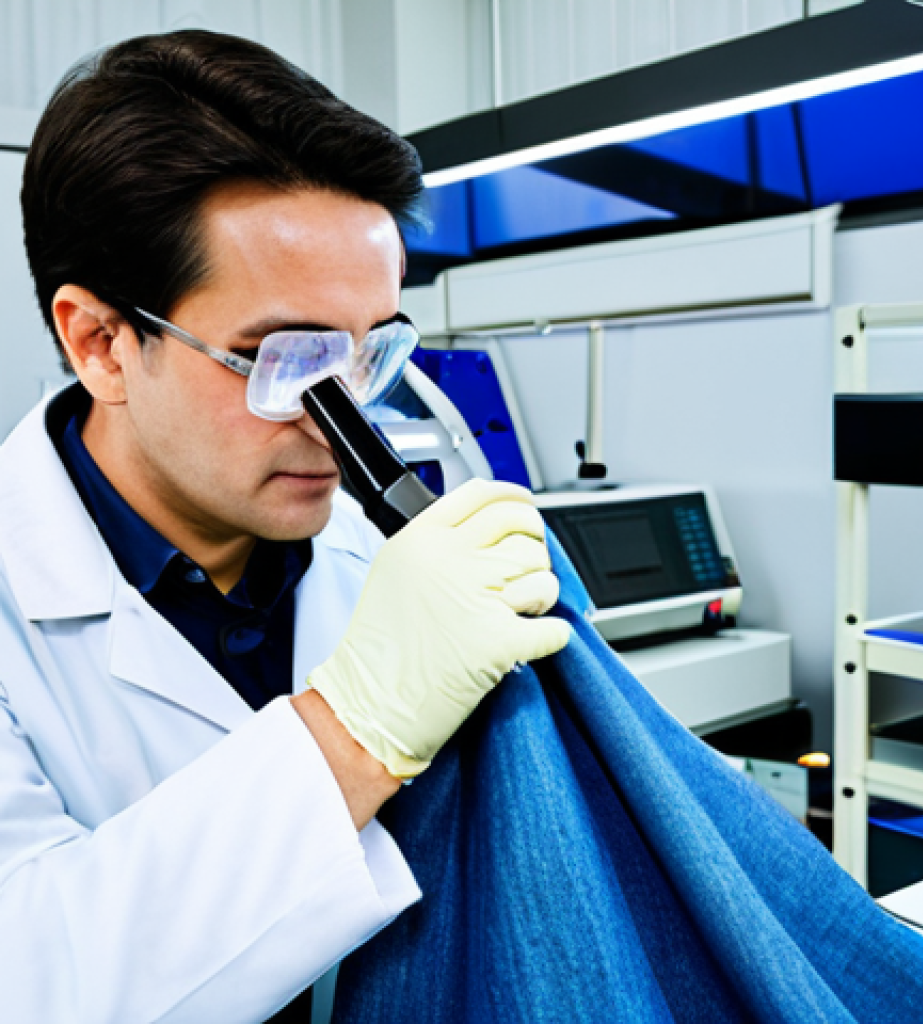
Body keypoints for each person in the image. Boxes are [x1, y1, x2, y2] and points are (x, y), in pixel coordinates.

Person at [0, 29, 569, 1024]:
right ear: (98, 342)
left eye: (373, 354)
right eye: (285, 360)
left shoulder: (368, 560)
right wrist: (353, 730)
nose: (344, 416)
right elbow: (32, 979)